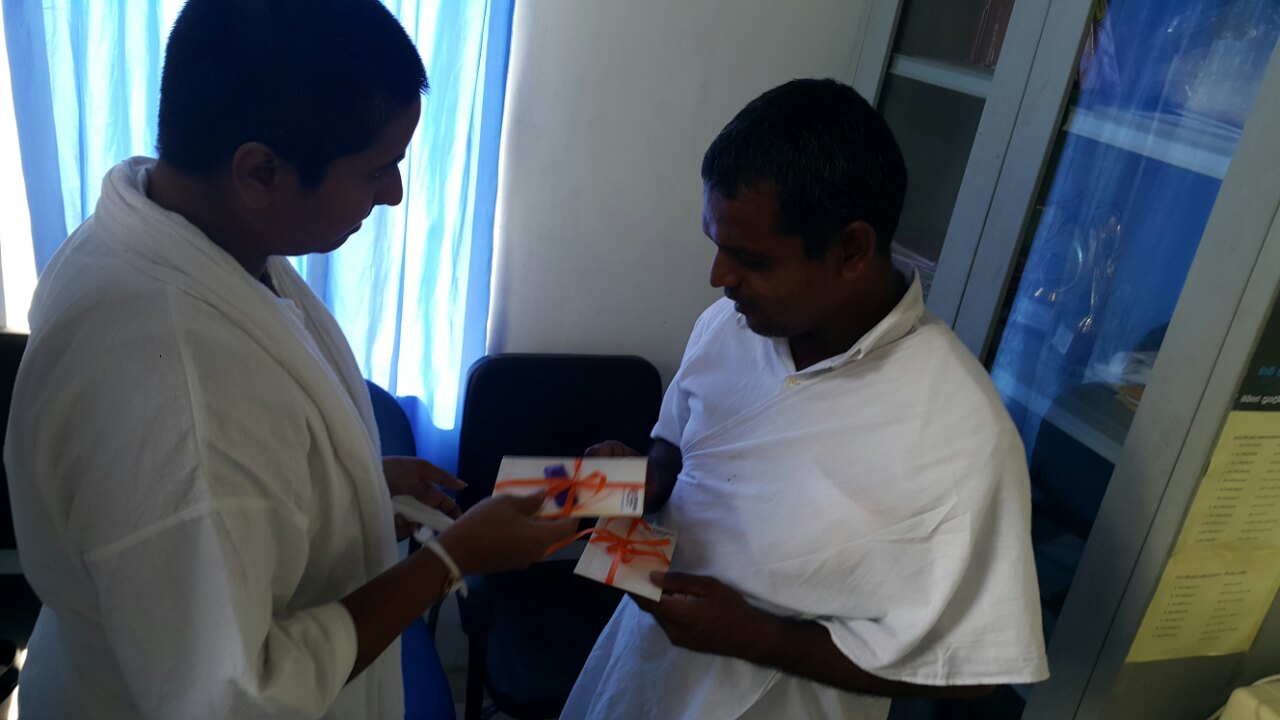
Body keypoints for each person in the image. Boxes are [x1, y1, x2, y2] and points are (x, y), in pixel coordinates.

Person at [4, 1, 577, 718]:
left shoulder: (167, 234)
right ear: (259, 171)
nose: (395, 194)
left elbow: (227, 489)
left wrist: (348, 492)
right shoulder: (182, 394)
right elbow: (234, 699)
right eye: (376, 171)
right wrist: (452, 558)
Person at [562, 78, 1049, 720]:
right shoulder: (729, 325)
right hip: (640, 674)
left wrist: (758, 638)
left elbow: (971, 671)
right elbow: (677, 450)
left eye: (750, 258)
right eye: (716, 245)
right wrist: (642, 477)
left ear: (851, 250)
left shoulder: (962, 431)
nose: (719, 277)